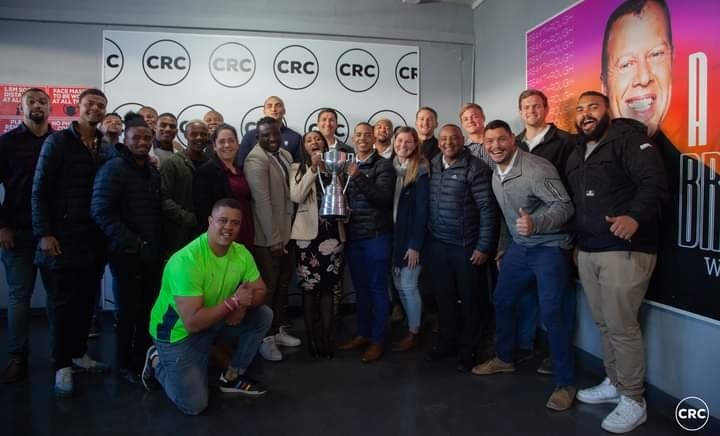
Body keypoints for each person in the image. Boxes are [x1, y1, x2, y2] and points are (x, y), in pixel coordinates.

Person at [566, 91, 668, 433]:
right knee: (604, 323)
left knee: (622, 325)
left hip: (624, 248)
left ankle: (633, 399)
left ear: (608, 110)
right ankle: (614, 382)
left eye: (593, 107)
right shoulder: (578, 151)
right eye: (580, 109)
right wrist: (577, 243)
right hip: (589, 249)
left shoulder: (628, 140)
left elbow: (655, 184)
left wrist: (634, 217)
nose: (586, 114)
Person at [471, 120, 576, 411]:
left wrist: (537, 223)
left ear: (512, 140)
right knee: (502, 300)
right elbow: (508, 215)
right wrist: (504, 248)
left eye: (501, 139)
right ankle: (505, 358)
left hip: (550, 247)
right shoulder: (496, 172)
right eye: (490, 141)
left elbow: (565, 206)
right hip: (520, 248)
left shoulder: (536, 168)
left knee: (553, 314)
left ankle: (566, 383)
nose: (495, 146)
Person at [142, 198, 272, 415]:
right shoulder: (186, 261)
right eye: (223, 220)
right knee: (194, 405)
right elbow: (192, 323)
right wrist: (234, 302)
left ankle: (231, 376)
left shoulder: (241, 253)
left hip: (212, 320)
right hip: (177, 334)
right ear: (210, 221)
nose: (229, 227)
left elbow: (260, 290)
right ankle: (156, 362)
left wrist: (242, 305)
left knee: (263, 315)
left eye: (235, 223)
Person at [32, 88, 110, 396]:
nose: (95, 109)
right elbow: (39, 190)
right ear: (78, 107)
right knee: (60, 306)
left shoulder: (104, 146)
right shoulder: (57, 142)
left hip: (93, 240)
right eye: (90, 104)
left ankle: (79, 354)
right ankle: (61, 365)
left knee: (84, 302)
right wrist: (44, 233)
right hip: (61, 239)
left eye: (101, 105)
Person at [91, 113, 162, 383]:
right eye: (136, 137)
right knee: (128, 312)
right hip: (126, 253)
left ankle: (143, 358)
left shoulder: (151, 171)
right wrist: (135, 242)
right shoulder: (114, 168)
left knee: (147, 310)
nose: (142, 142)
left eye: (146, 137)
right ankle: (124, 365)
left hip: (150, 252)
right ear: (125, 138)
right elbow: (101, 211)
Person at [512, 88, 576, 375]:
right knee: (525, 294)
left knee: (557, 301)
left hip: (556, 235)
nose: (531, 111)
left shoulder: (565, 142)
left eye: (536, 106)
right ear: (520, 111)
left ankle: (557, 355)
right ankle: (526, 346)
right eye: (526, 107)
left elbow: (571, 191)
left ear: (546, 109)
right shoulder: (514, 144)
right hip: (523, 236)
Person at [425, 124, 498, 372]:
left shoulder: (476, 168)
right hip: (439, 245)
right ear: (439, 143)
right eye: (444, 139)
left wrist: (483, 246)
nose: (449, 143)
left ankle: (469, 351)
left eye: (454, 138)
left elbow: (487, 210)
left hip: (466, 247)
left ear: (462, 140)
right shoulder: (434, 164)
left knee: (470, 302)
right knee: (444, 299)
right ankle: (446, 343)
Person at [0, 88, 53, 383]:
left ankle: (61, 357)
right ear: (21, 108)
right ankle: (17, 356)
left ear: (50, 107)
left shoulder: (59, 142)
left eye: (42, 101)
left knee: (57, 296)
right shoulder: (7, 143)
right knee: (19, 296)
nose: (37, 105)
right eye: (31, 101)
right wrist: (1, 226)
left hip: (53, 234)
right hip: (17, 232)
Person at [337, 123, 394, 363]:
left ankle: (378, 340)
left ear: (374, 139)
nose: (362, 138)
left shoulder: (383, 165)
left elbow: (383, 198)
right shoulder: (347, 164)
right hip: (354, 236)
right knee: (361, 289)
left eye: (367, 135)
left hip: (376, 236)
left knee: (378, 289)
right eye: (358, 135)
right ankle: (363, 334)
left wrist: (358, 176)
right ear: (353, 138)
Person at [244, 117, 301, 361]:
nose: (272, 138)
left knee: (284, 284)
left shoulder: (286, 155)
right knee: (268, 288)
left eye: (275, 133)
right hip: (268, 238)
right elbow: (262, 203)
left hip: (287, 232)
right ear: (258, 137)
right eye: (265, 135)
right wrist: (275, 240)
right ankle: (264, 339)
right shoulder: (255, 159)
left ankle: (277, 331)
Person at [289, 131, 346, 359]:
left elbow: (341, 198)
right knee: (309, 289)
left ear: (325, 143)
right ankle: (312, 339)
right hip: (307, 238)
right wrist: (313, 168)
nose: (314, 142)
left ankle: (327, 338)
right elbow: (296, 196)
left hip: (332, 236)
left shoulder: (335, 168)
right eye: (309, 140)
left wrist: (346, 210)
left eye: (318, 139)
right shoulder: (297, 168)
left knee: (328, 289)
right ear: (304, 146)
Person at [389, 127, 429, 352]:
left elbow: (422, 213)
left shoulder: (421, 171)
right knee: (398, 285)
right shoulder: (391, 167)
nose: (403, 145)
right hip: (395, 237)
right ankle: (412, 324)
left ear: (415, 145)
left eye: (408, 142)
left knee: (408, 285)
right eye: (400, 141)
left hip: (411, 239)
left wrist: (415, 245)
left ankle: (414, 333)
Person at [193, 124, 254, 249]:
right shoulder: (205, 172)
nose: (227, 145)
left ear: (237, 144)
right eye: (222, 142)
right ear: (214, 146)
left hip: (246, 231)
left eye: (231, 141)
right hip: (224, 236)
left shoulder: (240, 169)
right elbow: (203, 213)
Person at [161, 120, 209, 257]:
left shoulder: (211, 163)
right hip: (179, 234)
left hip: (207, 232)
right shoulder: (172, 163)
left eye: (203, 134)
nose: (199, 138)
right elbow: (164, 199)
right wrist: (188, 218)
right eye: (194, 134)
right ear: (186, 136)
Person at [237, 96, 302, 166]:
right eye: (269, 106)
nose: (273, 109)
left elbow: (299, 166)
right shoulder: (249, 136)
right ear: (264, 111)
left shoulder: (295, 137)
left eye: (278, 106)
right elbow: (241, 163)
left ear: (284, 111)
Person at [460, 103, 494, 168]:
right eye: (465, 119)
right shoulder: (461, 150)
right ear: (462, 124)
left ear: (483, 118)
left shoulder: (497, 144)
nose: (470, 121)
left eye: (474, 117)